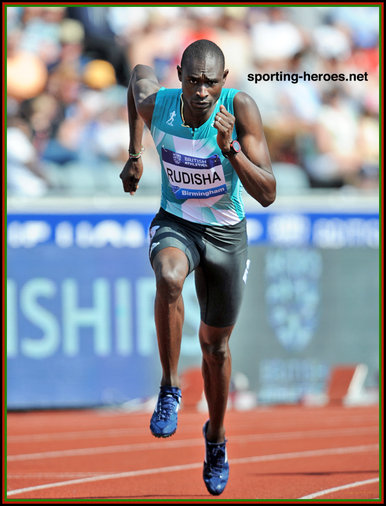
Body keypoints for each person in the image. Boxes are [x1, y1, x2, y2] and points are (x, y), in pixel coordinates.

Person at [120, 39, 276, 496]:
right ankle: (169, 388)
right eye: (193, 81)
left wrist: (232, 152)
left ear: (224, 81)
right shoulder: (159, 104)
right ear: (180, 75)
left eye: (211, 82)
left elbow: (267, 193)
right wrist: (135, 156)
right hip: (177, 222)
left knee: (216, 349)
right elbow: (136, 77)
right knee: (168, 276)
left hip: (226, 236)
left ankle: (216, 438)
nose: (202, 91)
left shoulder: (240, 108)